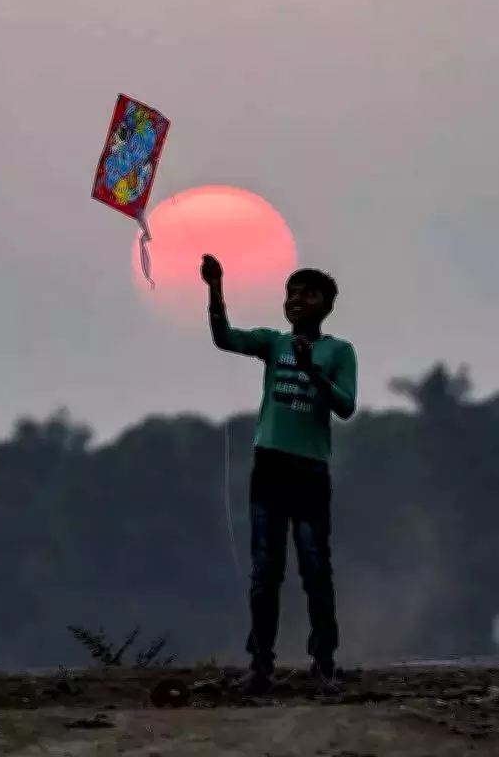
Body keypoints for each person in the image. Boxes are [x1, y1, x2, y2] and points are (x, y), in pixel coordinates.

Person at [200, 254, 357, 692]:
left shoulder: (338, 352)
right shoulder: (273, 343)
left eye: (308, 293)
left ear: (326, 305)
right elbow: (224, 338)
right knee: (266, 572)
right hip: (269, 465)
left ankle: (324, 664)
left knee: (314, 568)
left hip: (308, 470)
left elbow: (345, 406)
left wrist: (311, 370)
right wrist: (215, 287)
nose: (296, 300)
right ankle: (261, 665)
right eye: (291, 292)